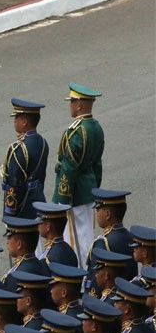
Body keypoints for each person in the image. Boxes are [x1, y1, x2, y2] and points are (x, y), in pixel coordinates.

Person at [53, 83, 104, 265]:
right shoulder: (96, 127)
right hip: (88, 189)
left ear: (80, 105)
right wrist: (95, 188)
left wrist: (63, 198)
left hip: (74, 194)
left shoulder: (77, 131)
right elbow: (97, 163)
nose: (71, 105)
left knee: (74, 240)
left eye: (73, 102)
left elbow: (69, 167)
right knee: (87, 236)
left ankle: (81, 280)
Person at [86, 188, 135, 292]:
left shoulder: (102, 243)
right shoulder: (131, 237)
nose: (96, 213)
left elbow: (95, 279)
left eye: (98, 209)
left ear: (107, 214)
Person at [0, 216, 49, 291]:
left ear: (19, 244)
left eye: (9, 238)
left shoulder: (15, 276)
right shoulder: (43, 264)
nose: (7, 242)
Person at [32, 201, 78, 266]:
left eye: (40, 222)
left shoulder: (49, 258)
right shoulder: (69, 250)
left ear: (48, 226)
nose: (38, 225)